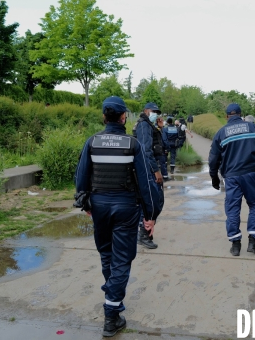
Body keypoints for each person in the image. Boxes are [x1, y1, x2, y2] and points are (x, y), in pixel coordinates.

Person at [75, 96, 162, 337]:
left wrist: (86, 204)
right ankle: (111, 314)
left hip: (100, 207)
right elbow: (145, 182)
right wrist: (150, 215)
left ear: (104, 116)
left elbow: (81, 177)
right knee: (122, 259)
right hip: (126, 207)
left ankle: (112, 295)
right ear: (124, 117)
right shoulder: (132, 144)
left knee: (107, 254)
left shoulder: (92, 142)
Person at [209, 103, 255, 257]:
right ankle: (253, 242)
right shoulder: (254, 128)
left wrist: (214, 177)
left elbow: (213, 159)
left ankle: (235, 244)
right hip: (251, 174)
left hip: (231, 177)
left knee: (232, 208)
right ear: (240, 114)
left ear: (227, 116)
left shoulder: (221, 133)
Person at [133, 102, 165, 248]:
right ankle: (144, 234)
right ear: (146, 110)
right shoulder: (144, 125)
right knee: (151, 201)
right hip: (148, 169)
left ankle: (146, 233)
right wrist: (155, 170)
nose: (156, 114)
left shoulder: (148, 125)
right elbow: (146, 150)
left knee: (154, 201)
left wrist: (160, 128)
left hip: (149, 167)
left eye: (157, 112)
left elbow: (159, 145)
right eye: (153, 111)